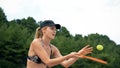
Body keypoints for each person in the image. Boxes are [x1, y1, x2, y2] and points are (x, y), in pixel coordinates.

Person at [27, 20, 93, 68]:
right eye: (52, 29)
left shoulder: (53, 48)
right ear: (43, 30)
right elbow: (48, 62)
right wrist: (68, 56)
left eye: (55, 30)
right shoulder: (36, 42)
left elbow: (65, 64)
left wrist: (79, 54)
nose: (54, 31)